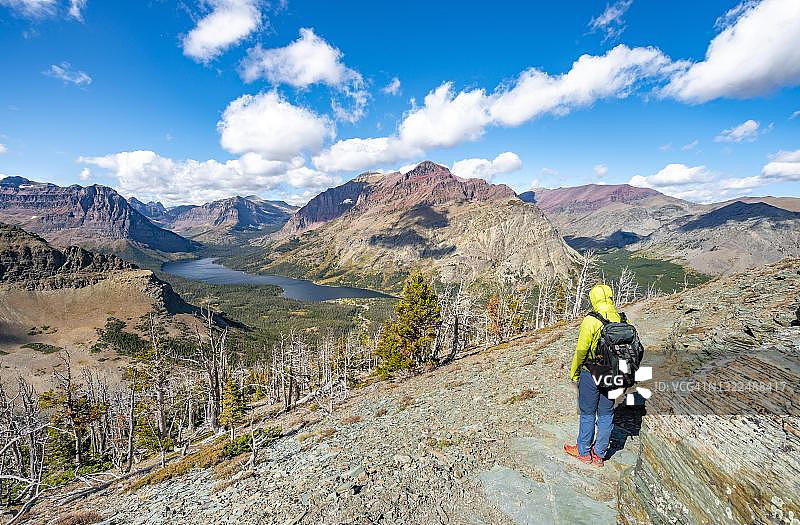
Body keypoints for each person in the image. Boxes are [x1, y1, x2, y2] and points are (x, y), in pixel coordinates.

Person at [563, 283, 619, 467]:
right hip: (612, 374)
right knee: (606, 413)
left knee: (587, 412)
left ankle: (583, 451)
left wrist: (574, 372)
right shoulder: (619, 317)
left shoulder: (591, 320)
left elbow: (582, 349)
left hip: (592, 372)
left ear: (594, 298)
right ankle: (599, 454)